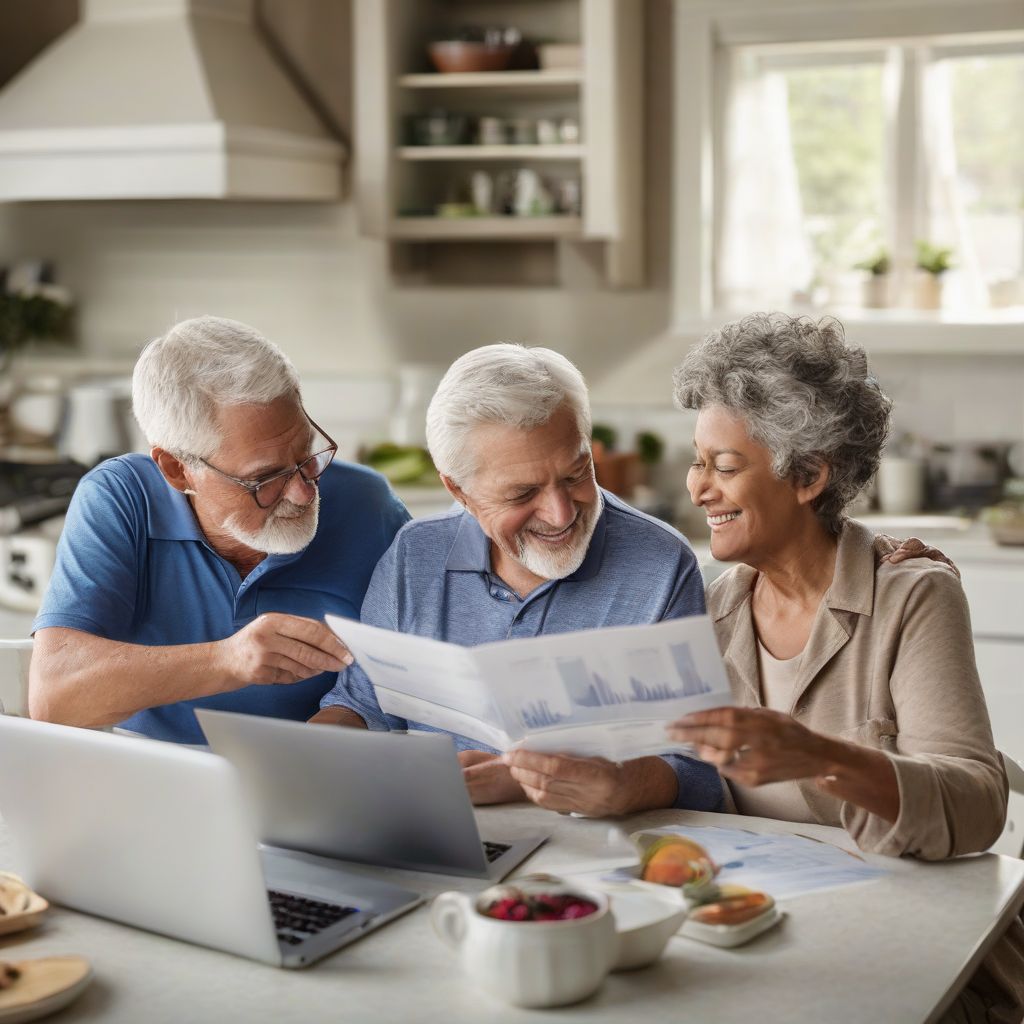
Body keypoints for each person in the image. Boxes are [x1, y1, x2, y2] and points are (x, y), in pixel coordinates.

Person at [665, 312, 1023, 1023]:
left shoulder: (912, 593)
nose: (697, 487)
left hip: (923, 955)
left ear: (807, 476)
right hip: (771, 945)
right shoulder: (707, 612)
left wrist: (817, 756)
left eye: (724, 466)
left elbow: (979, 803)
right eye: (698, 460)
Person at [312, 343, 724, 816]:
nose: (560, 513)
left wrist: (610, 785)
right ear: (458, 490)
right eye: (522, 493)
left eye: (576, 474)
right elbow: (362, 705)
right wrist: (303, 759)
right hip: (438, 835)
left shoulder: (660, 563)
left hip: (594, 857)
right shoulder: (415, 554)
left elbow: (697, 770)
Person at [30, 316, 408, 744]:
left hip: (313, 777)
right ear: (177, 470)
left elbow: (414, 675)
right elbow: (55, 697)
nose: (304, 493)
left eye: (307, 455)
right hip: (150, 779)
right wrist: (227, 659)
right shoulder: (120, 498)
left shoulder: (368, 504)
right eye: (265, 479)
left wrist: (330, 735)